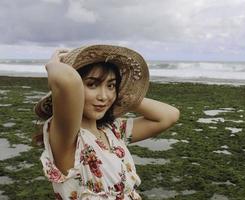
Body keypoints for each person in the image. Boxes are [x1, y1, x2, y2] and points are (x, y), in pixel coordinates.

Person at [34, 44, 180, 200]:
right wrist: (53, 65)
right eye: (92, 84)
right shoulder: (68, 137)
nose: (104, 96)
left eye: (111, 85)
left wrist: (120, 95)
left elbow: (169, 116)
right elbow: (68, 81)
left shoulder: (113, 130)